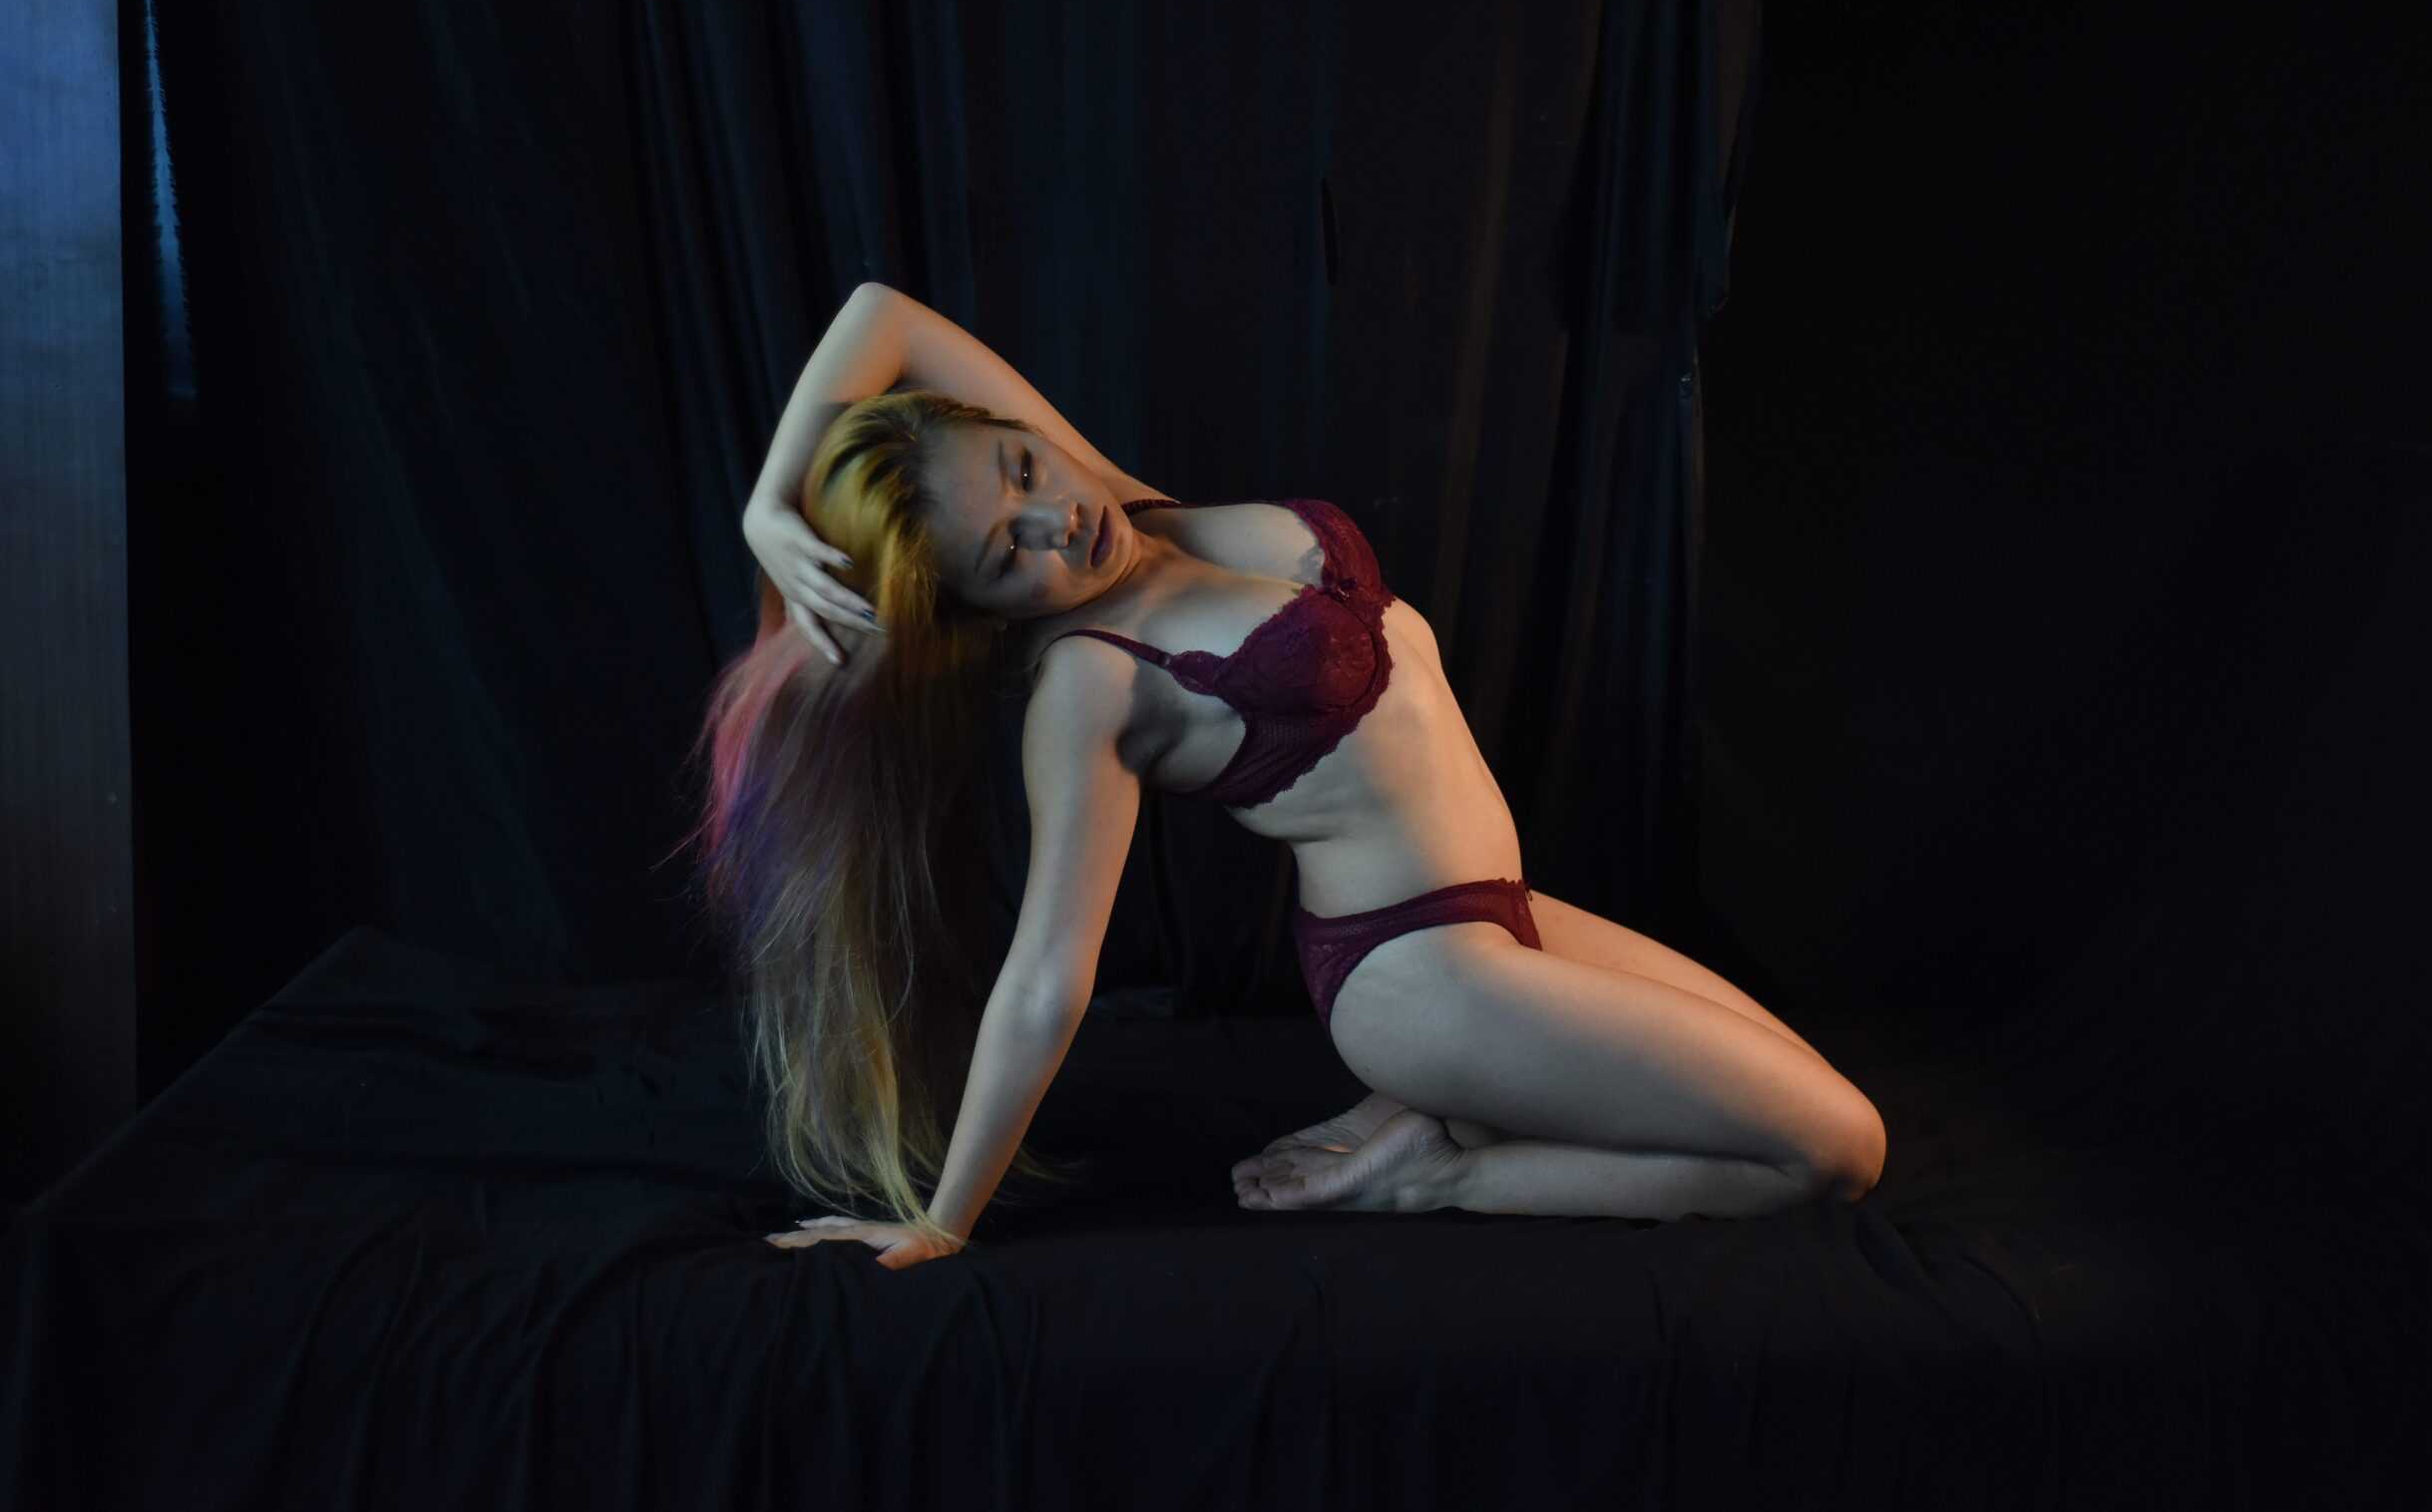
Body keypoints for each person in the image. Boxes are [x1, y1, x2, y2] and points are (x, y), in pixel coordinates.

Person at [706, 282, 1885, 1273]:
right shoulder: (1090, 681)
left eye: (1023, 467)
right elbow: (1048, 977)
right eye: (1008, 553)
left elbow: (883, 315)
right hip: (1418, 979)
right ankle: (1438, 1173)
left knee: (1803, 1089)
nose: (1056, 520)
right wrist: (944, 1218)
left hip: (1508, 921)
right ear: (981, 612)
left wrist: (770, 503)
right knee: (1836, 1150)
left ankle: (1465, 1108)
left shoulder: (1124, 507)